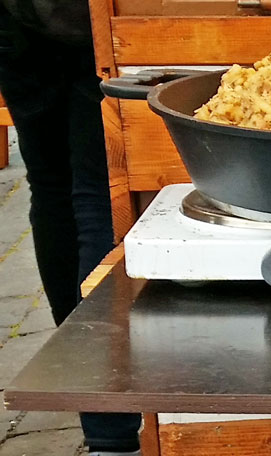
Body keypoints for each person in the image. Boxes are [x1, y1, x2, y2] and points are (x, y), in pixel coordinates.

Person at [0, 1, 141, 455]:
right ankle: (109, 423)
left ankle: (85, 382)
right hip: (92, 18)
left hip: (17, 19)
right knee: (97, 195)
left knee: (53, 189)